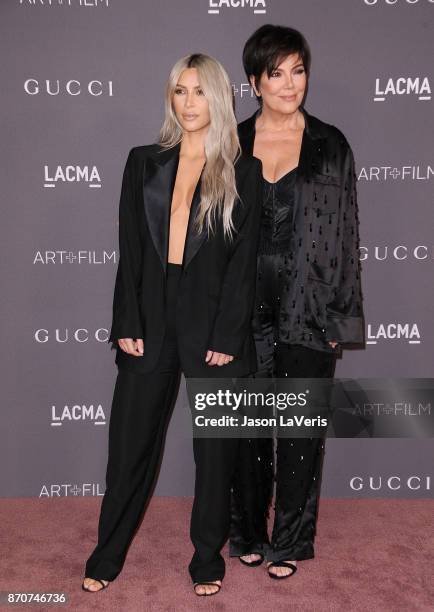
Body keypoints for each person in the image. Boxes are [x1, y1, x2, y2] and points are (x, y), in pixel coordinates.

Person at [82, 52, 262, 597]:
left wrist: (228, 337)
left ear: (221, 98)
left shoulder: (244, 171)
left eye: (200, 91)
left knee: (214, 454)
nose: (189, 103)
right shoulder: (143, 161)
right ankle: (106, 553)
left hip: (212, 323)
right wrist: (127, 321)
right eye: (180, 91)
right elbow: (131, 253)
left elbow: (243, 266)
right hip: (150, 318)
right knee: (129, 448)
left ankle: (207, 556)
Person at [230, 25, 365, 579]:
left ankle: (290, 540)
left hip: (309, 308)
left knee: (302, 432)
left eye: (299, 70)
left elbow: (347, 234)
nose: (290, 84)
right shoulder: (230, 143)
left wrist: (342, 316)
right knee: (246, 429)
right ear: (255, 81)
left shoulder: (331, 144)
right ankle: (247, 531)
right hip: (241, 310)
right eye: (277, 73)